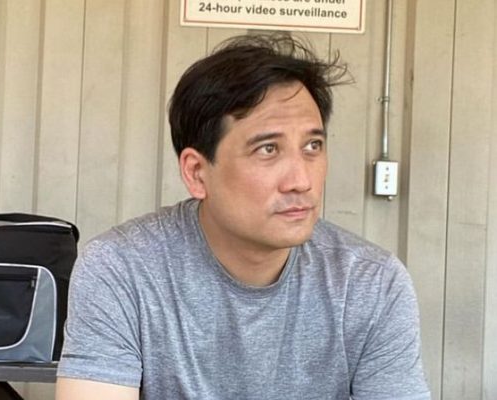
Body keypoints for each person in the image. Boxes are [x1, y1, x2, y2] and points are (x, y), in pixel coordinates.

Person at [55, 34, 430, 400]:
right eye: (268, 149)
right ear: (197, 172)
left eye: (312, 146)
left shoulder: (370, 283)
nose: (301, 181)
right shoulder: (122, 269)